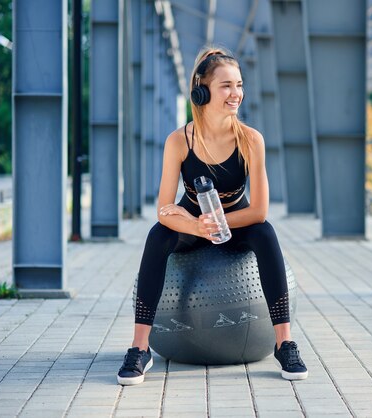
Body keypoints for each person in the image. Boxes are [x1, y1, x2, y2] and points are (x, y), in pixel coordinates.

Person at [116, 46, 308, 385]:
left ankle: (285, 343)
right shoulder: (178, 141)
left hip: (239, 221)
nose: (236, 94)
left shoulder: (251, 140)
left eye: (239, 84)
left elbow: (259, 210)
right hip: (193, 222)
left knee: (266, 232)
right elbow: (164, 209)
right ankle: (140, 349)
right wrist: (194, 225)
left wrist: (217, 225)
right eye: (226, 86)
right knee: (157, 236)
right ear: (201, 91)